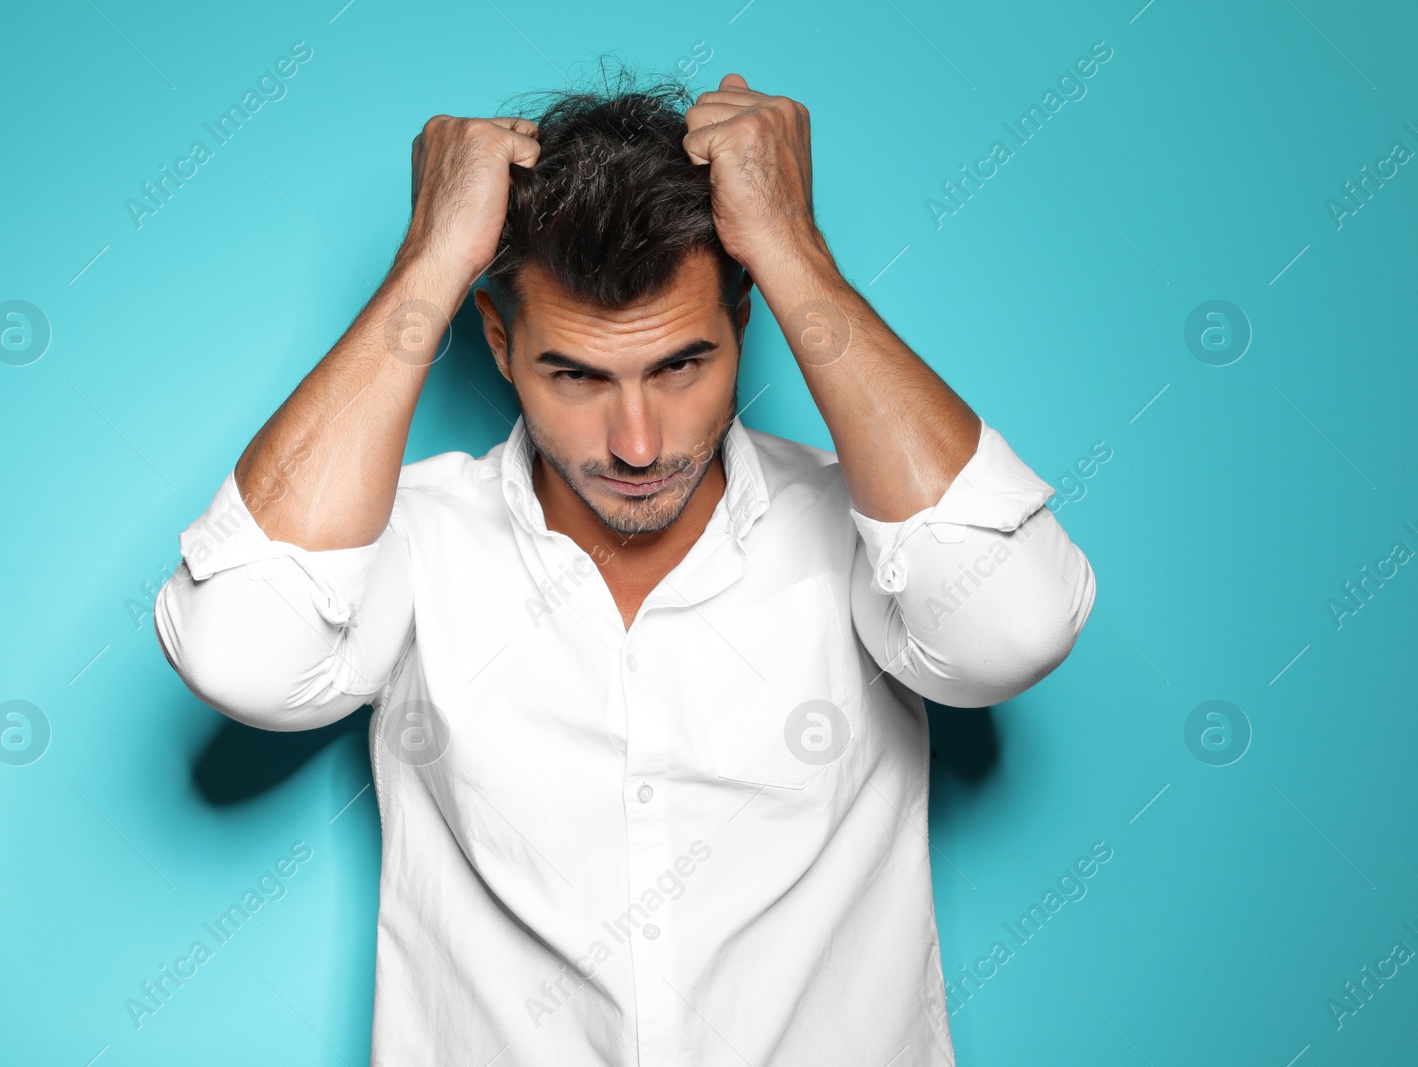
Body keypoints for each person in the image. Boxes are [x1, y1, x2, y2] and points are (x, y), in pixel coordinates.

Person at [154, 65, 1096, 1067]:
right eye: (575, 374)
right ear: (499, 343)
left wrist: (791, 250)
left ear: (744, 325)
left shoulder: (869, 533)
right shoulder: (417, 538)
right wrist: (428, 262)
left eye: (681, 364)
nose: (638, 443)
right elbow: (240, 656)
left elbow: (1012, 628)